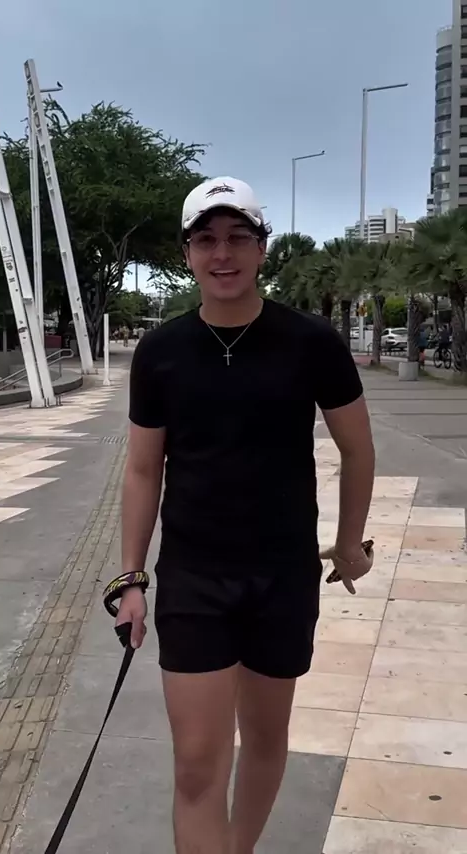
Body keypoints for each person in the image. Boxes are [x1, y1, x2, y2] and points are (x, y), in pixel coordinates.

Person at [116, 176, 375, 854]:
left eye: (238, 238)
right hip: (194, 580)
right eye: (206, 240)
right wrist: (131, 578)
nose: (222, 254)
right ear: (187, 254)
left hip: (282, 576)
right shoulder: (161, 352)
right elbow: (143, 469)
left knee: (263, 738)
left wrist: (350, 544)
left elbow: (358, 449)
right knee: (197, 761)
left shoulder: (311, 342)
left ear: (263, 248)